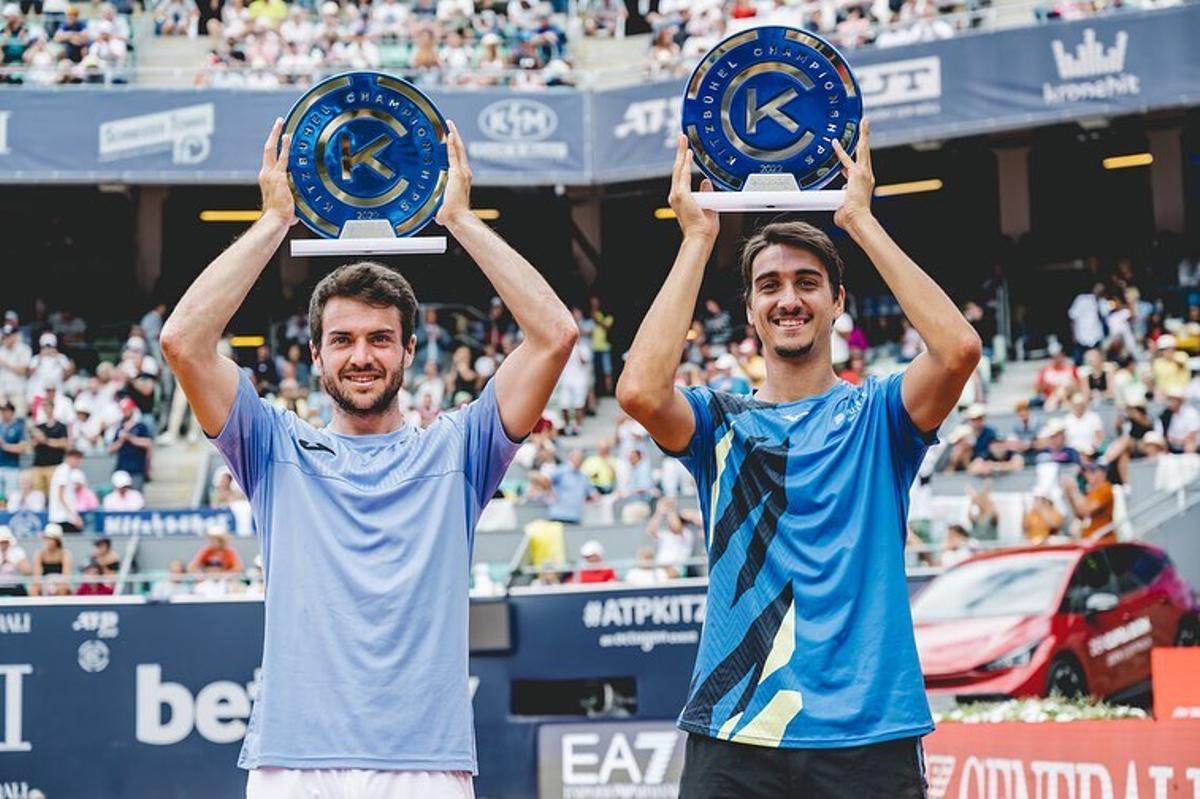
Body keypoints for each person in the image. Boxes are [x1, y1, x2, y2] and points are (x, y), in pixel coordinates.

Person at [158, 118, 575, 798]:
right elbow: (183, 340)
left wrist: (461, 221)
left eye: (381, 338)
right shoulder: (271, 444)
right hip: (293, 761)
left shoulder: (460, 448)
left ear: (409, 351)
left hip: (426, 763)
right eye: (343, 339)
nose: (361, 356)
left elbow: (554, 335)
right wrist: (274, 223)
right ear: (315, 354)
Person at [616, 123, 981, 797]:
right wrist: (698, 238)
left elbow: (958, 349)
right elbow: (638, 389)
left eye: (808, 282)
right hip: (736, 730)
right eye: (771, 285)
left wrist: (859, 221)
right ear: (750, 309)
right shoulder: (718, 423)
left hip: (868, 735)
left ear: (838, 302)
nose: (789, 298)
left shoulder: (882, 414)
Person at [1060, 462, 1115, 543]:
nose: (1087, 475)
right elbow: (1080, 515)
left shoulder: (1105, 488)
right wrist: (1070, 495)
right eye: (1086, 471)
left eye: (1092, 471)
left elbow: (1086, 510)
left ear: (1102, 473)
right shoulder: (1091, 492)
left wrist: (1073, 490)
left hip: (1102, 540)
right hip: (1089, 539)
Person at [31, 523, 71, 596]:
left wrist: (57, 586)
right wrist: (43, 585)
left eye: (50, 538)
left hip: (59, 582)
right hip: (44, 582)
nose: (47, 541)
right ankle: (37, 607)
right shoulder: (39, 554)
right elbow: (36, 575)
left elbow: (66, 575)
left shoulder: (64, 554)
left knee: (63, 587)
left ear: (57, 541)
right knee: (33, 589)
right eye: (46, 538)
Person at [0, 526, 30, 596]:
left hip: (14, 585)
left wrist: (13, 561)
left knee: (21, 590)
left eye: (5, 542)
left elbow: (28, 571)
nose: (3, 544)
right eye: (1, 542)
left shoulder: (17, 552)